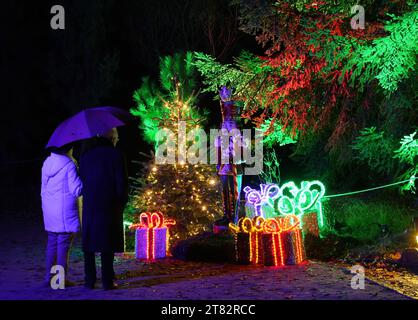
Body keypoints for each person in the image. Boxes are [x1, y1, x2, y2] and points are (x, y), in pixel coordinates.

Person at [79, 128, 128, 290]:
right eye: (116, 135)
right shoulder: (116, 155)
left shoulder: (86, 155)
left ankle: (89, 280)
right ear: (112, 136)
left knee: (90, 243)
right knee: (108, 243)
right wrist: (122, 202)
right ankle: (107, 280)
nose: (117, 138)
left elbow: (82, 179)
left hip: (90, 204)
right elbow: (121, 183)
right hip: (109, 203)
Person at [41, 143, 82, 287]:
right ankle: (59, 280)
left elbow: (44, 188)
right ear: (68, 148)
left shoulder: (47, 163)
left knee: (52, 243)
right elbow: (76, 189)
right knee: (63, 245)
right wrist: (84, 179)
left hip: (50, 210)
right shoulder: (69, 164)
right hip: (65, 212)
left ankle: (50, 278)